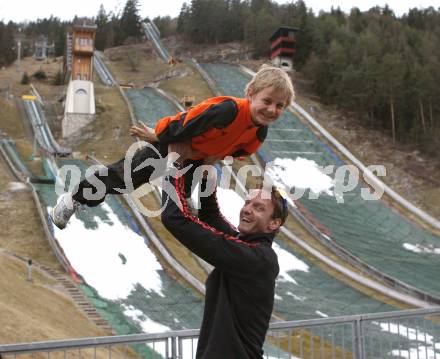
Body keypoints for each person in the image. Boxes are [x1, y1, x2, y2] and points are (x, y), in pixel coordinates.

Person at [51, 65, 294, 229]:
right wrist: (158, 137)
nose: (272, 110)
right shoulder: (228, 110)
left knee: (179, 204)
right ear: (251, 94)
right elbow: (185, 121)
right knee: (127, 179)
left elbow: (235, 151)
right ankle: (74, 198)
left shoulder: (259, 132)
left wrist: (207, 159)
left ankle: (183, 201)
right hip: (171, 142)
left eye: (280, 106)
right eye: (267, 101)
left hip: (196, 158)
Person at [161, 143, 288, 359]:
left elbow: (174, 218)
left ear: (273, 224)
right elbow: (210, 215)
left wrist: (175, 163)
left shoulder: (256, 259)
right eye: (248, 202)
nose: (247, 209)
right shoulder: (247, 247)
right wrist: (206, 170)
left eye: (258, 208)